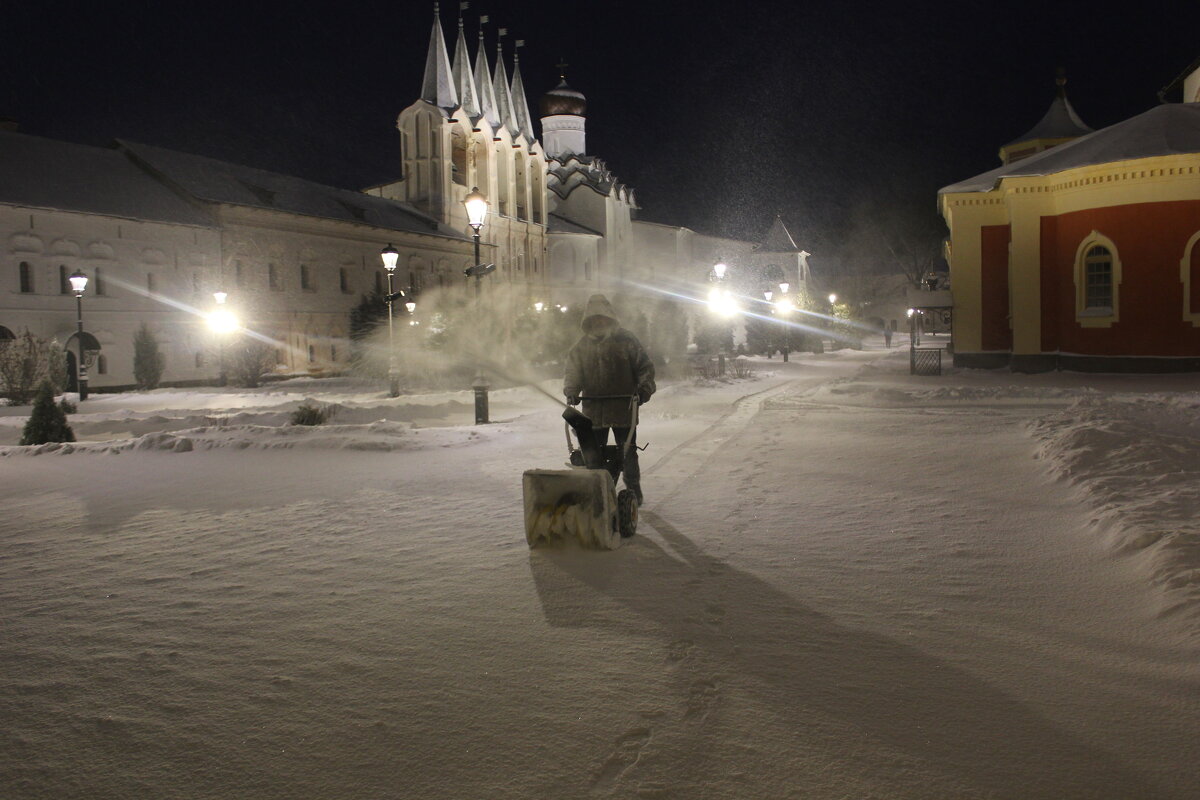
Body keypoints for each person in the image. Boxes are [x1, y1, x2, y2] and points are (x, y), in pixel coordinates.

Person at [564, 294, 656, 504]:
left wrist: (644, 389)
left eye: (602, 318)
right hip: (594, 411)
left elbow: (645, 367)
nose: (599, 322)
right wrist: (571, 390)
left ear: (610, 318)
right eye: (595, 319)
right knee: (593, 456)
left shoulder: (627, 341)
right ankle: (599, 492)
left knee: (628, 453)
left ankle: (633, 489)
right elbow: (573, 372)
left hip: (624, 408)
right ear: (588, 321)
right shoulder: (581, 347)